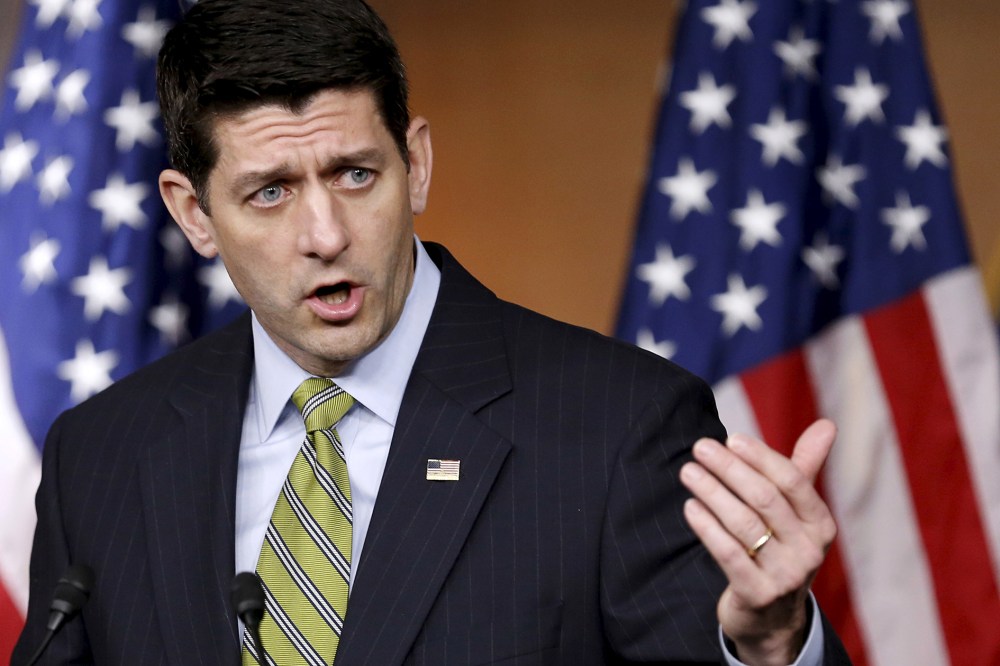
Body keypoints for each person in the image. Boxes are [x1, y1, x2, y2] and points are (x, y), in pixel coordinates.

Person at [13, 1, 849, 664]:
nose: (326, 234)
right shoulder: (103, 455)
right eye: (269, 192)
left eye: (354, 174)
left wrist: (770, 647)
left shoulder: (620, 426)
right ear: (193, 214)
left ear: (415, 165)